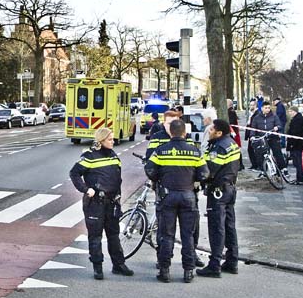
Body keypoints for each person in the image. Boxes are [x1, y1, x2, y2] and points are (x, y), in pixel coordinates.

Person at [145, 119, 209, 283]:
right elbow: (204, 173)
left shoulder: (161, 150)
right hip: (188, 196)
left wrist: (161, 178)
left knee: (167, 235)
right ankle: (188, 271)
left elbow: (150, 170)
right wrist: (193, 179)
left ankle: (165, 271)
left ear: (171, 133)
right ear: (184, 133)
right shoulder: (194, 151)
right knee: (187, 235)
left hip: (167, 196)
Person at [69, 127, 133, 280]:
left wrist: (118, 198)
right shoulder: (89, 156)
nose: (113, 141)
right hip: (95, 203)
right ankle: (98, 267)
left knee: (114, 235)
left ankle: (119, 264)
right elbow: (74, 173)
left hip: (112, 202)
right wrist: (86, 189)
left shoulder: (113, 155)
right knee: (95, 236)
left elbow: (117, 179)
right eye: (110, 139)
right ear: (101, 141)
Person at [197, 119, 240, 278]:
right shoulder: (231, 143)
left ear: (219, 132)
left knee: (217, 227)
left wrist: (197, 178)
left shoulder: (219, 147)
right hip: (230, 189)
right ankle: (232, 260)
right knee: (229, 226)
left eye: (212, 129)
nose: (209, 131)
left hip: (218, 192)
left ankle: (214, 265)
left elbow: (208, 171)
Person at [251, 102, 286, 172]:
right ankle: (263, 170)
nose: (267, 109)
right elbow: (253, 128)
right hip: (262, 138)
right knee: (261, 155)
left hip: (273, 137)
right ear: (262, 108)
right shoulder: (257, 118)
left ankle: (283, 168)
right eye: (266, 108)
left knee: (277, 152)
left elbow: (279, 125)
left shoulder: (274, 116)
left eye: (269, 108)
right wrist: (252, 136)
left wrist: (277, 127)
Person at [286, 107, 303, 185]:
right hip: (296, 143)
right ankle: (298, 178)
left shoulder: (298, 119)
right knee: (296, 162)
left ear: (294, 111)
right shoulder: (297, 118)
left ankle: (300, 179)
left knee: (298, 162)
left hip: (296, 144)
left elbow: (296, 133)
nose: (290, 113)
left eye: (291, 111)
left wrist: (292, 144)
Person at [244, 100, 259, 169]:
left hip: (254, 135)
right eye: (250, 105)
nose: (250, 106)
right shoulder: (252, 113)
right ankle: (254, 165)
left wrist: (252, 135)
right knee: (250, 150)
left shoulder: (257, 114)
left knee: (252, 150)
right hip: (251, 135)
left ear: (255, 106)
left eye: (252, 105)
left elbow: (254, 125)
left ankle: (256, 165)